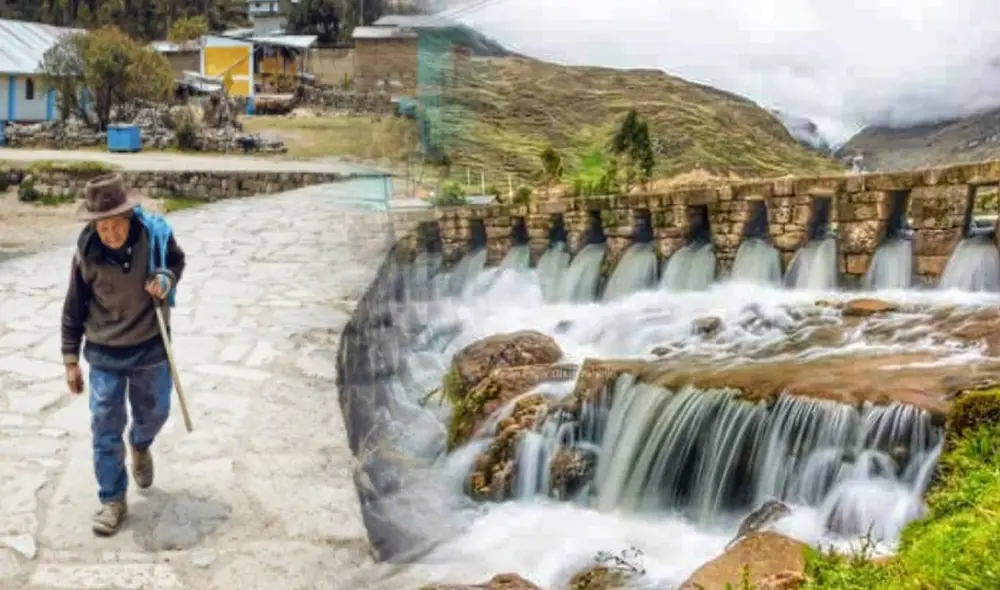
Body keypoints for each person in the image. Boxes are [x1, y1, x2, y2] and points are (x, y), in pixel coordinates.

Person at [60, 173, 186, 536]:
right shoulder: (86, 252)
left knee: (156, 412)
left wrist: (166, 277)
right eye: (103, 227)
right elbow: (73, 308)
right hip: (104, 352)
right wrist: (71, 360)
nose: (110, 234)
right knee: (104, 426)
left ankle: (141, 444)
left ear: (128, 217)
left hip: (150, 345)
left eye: (116, 225)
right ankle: (112, 500)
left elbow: (176, 261)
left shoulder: (155, 236)